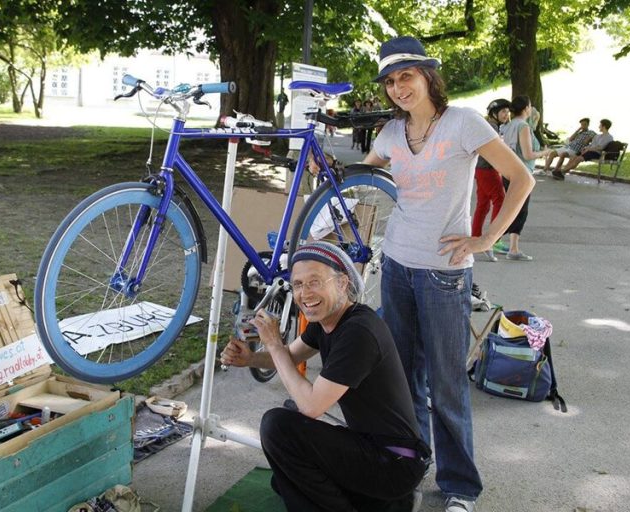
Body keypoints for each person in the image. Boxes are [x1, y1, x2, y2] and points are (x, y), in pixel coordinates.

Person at [362, 36, 535, 512]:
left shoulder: (463, 122)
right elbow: (363, 172)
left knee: (447, 384)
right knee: (403, 379)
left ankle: (460, 487)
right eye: (391, 81)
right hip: (396, 265)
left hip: (444, 274)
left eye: (407, 77)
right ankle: (410, 468)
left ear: (427, 77)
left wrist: (486, 238)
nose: (399, 88)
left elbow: (522, 179)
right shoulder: (392, 133)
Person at [220, 241, 430, 512]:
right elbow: (288, 356)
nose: (305, 293)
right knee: (283, 479)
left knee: (278, 427)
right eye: (297, 284)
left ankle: (384, 499)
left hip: (393, 463)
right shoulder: (328, 321)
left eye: (315, 282)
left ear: (342, 284)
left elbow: (311, 406)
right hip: (373, 450)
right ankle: (391, 505)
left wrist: (272, 343)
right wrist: (250, 358)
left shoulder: (359, 333)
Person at [494, 95, 550, 261]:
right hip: (522, 173)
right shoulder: (523, 126)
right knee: (520, 211)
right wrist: (545, 153)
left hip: (507, 171)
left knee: (511, 209)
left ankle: (498, 242)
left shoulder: (509, 125)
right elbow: (528, 154)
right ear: (526, 108)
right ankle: (512, 248)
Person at [471, 98, 510, 262]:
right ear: (494, 113)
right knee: (500, 200)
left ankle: (475, 237)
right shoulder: (492, 128)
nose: (506, 114)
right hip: (487, 169)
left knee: (483, 204)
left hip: (480, 169)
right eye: (503, 111)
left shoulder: (492, 126)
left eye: (507, 111)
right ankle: (493, 240)